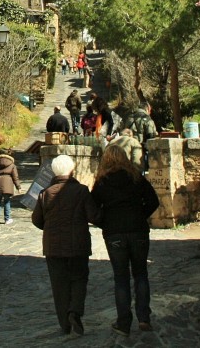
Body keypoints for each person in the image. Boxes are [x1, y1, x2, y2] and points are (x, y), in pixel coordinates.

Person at [91, 144, 160, 337]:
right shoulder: (136, 178)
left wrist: (105, 222)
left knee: (121, 277)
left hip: (114, 233)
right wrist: (140, 215)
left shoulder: (102, 182)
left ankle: (123, 322)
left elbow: (92, 208)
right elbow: (153, 200)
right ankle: (144, 318)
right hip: (138, 231)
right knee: (141, 274)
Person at [32, 154, 100, 338]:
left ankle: (64, 324)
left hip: (53, 246)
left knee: (59, 285)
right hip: (78, 244)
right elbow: (93, 216)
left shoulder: (45, 194)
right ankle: (75, 311)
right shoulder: (81, 191)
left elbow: (37, 220)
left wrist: (51, 227)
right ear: (71, 171)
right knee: (79, 278)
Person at [0, 151, 21, 224]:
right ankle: (7, 219)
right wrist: (18, 187)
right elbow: (15, 177)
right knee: (7, 201)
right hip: (8, 185)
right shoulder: (12, 165)